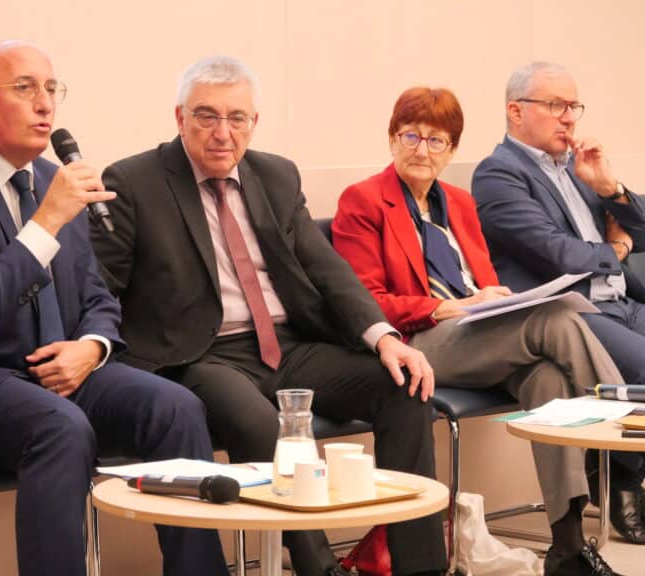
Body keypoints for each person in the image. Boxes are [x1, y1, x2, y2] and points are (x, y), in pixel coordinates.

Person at [0, 40, 229, 576]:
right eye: (24, 88)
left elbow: (96, 296)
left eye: (50, 88)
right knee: (60, 427)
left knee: (174, 407)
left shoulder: (50, 180)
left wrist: (92, 347)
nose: (44, 104)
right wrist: (46, 221)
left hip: (42, 375)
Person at [89, 55, 446, 576]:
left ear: (253, 122)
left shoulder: (275, 175)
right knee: (264, 425)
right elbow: (100, 286)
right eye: (207, 116)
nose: (223, 132)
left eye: (237, 118)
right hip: (200, 355)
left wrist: (385, 338)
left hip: (287, 345)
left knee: (404, 386)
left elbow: (327, 269)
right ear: (180, 118)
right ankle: (318, 568)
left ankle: (420, 568)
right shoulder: (135, 180)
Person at [332, 86, 627, 576]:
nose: (422, 150)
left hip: (480, 335)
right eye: (411, 136)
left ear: (451, 150)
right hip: (416, 342)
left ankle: (568, 548)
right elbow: (364, 302)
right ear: (391, 138)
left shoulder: (460, 203)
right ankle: (627, 435)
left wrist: (496, 301)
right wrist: (453, 307)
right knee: (555, 318)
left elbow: (485, 283)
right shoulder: (363, 201)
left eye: (436, 140)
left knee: (549, 380)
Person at [472, 62, 645, 546]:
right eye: (555, 105)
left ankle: (618, 465)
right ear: (516, 111)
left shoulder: (578, 167)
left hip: (621, 300)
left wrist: (610, 188)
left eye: (573, 106)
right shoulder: (498, 175)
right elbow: (559, 255)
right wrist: (618, 247)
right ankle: (622, 475)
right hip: (569, 312)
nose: (569, 117)